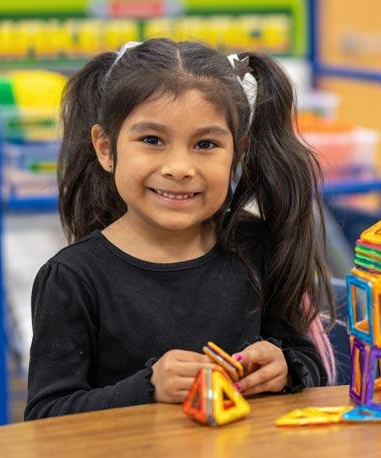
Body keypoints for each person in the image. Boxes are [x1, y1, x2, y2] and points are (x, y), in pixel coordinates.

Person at [24, 38, 336, 420]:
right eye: (152, 140)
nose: (179, 167)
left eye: (205, 144)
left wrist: (285, 367)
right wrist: (148, 387)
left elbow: (310, 362)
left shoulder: (256, 246)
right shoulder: (71, 278)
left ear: (236, 153)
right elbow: (46, 415)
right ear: (106, 149)